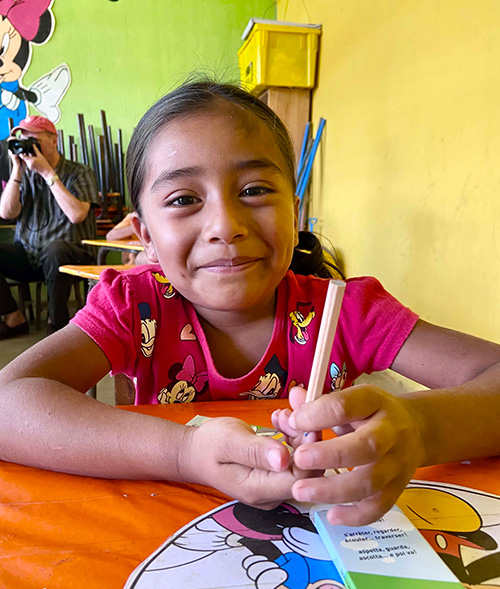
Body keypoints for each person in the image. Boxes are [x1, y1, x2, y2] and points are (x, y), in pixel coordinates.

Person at [0, 80, 499, 526]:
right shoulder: (134, 306)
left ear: (294, 211)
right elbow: (7, 402)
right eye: (183, 199)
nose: (226, 225)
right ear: (146, 236)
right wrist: (183, 453)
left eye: (255, 189)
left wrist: (419, 427)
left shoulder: (346, 311)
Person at [0, 115, 99, 337]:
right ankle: (14, 317)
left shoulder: (79, 172)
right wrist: (17, 171)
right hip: (30, 254)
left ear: (54, 140)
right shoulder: (24, 173)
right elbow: (6, 213)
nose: (27, 145)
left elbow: (76, 215)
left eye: (33, 139)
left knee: (55, 250)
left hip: (72, 253)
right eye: (22, 139)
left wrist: (48, 173)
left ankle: (58, 325)